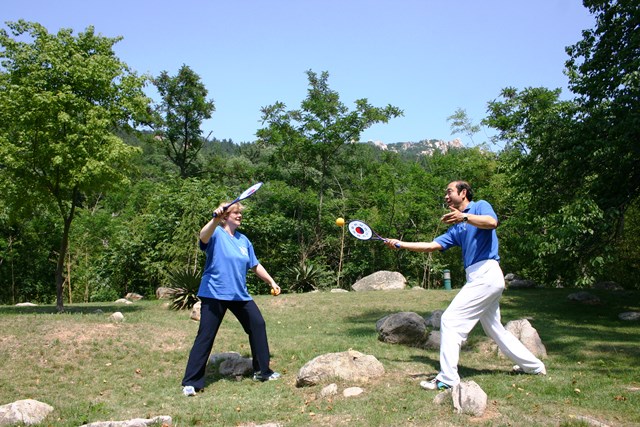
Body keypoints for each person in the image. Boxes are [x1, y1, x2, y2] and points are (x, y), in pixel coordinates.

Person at [384, 180, 546, 391]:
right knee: (496, 330)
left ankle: (448, 378)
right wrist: (400, 243)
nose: (446, 196)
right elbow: (432, 245)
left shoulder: (479, 206)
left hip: (486, 273)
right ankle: (534, 366)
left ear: (463, 193)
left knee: (450, 320)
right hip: (479, 277)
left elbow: (491, 222)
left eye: (449, 191)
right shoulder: (457, 228)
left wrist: (465, 216)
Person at [181, 200, 281, 396]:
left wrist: (271, 281)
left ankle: (262, 371)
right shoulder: (216, 233)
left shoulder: (244, 240)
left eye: (240, 213)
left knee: (257, 325)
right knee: (206, 336)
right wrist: (214, 219)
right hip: (214, 293)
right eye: (235, 212)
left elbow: (254, 264)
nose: (240, 215)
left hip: (239, 294)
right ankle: (191, 382)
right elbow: (203, 236)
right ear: (225, 217)